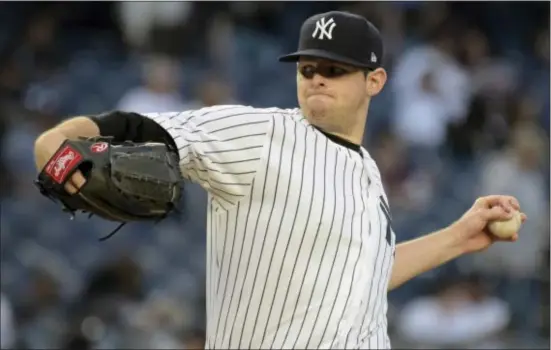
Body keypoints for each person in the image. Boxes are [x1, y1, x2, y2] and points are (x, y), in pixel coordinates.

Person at [33, 11, 525, 349]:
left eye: (334, 69)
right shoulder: (259, 133)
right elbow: (122, 127)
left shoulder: (368, 175)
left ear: (374, 82)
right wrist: (56, 149)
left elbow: (362, 279)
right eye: (308, 68)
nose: (316, 79)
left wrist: (459, 238)